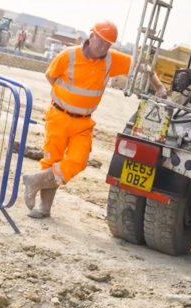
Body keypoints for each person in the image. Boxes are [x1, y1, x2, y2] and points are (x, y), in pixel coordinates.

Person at [22, 20, 168, 219]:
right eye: (101, 41)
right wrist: (66, 99)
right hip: (58, 116)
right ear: (91, 37)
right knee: (52, 160)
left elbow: (142, 66)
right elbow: (51, 76)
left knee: (78, 161)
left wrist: (159, 86)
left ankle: (35, 180)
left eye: (109, 44)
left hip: (83, 122)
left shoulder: (111, 59)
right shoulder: (68, 55)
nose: (104, 47)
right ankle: (44, 208)